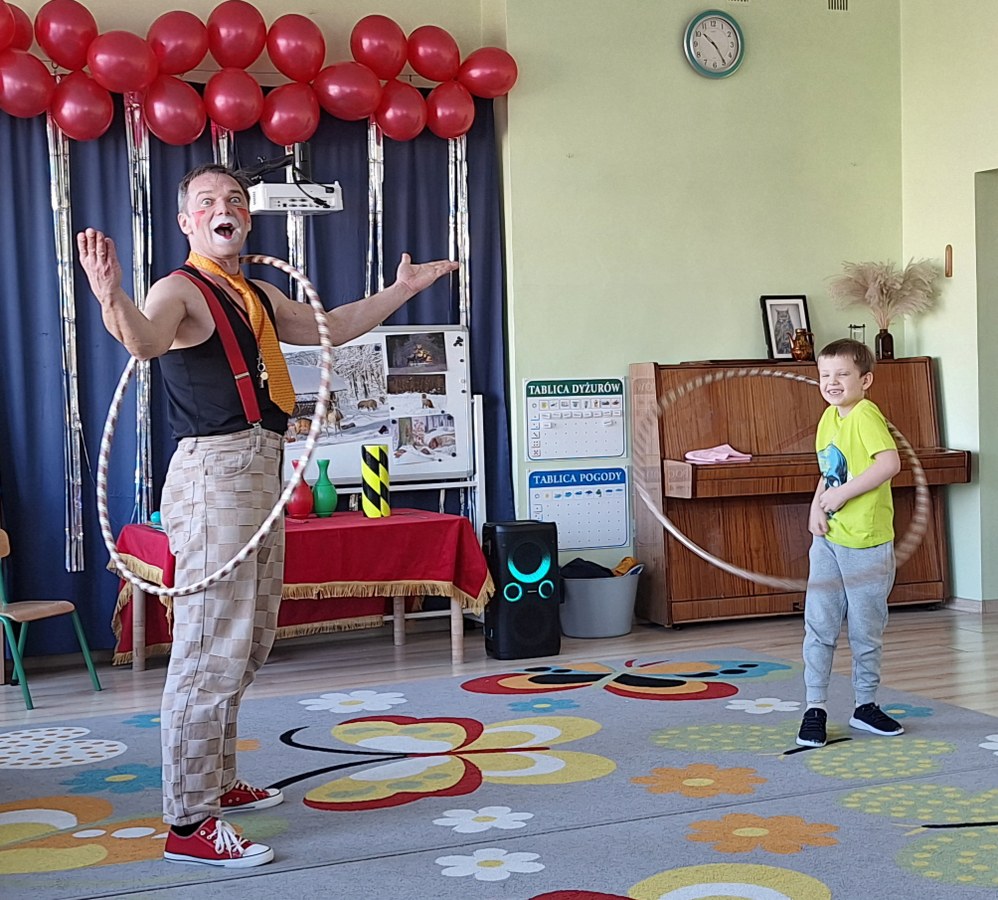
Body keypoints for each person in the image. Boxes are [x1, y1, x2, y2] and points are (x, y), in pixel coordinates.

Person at [77, 163, 458, 868]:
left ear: (247, 218)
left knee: (247, 640)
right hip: (215, 472)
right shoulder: (176, 290)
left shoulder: (256, 291)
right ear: (187, 222)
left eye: (234, 199)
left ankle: (217, 779)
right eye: (206, 201)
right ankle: (189, 824)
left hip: (263, 465)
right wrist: (110, 297)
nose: (223, 207)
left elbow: (333, 327)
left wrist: (403, 289)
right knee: (208, 649)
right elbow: (144, 341)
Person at [795, 338, 905, 749]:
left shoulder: (865, 414)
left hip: (866, 542)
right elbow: (830, 470)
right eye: (825, 375)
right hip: (829, 539)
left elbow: (889, 463)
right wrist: (817, 507)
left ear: (865, 380)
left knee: (865, 628)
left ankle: (865, 705)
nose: (832, 382)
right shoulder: (829, 417)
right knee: (819, 623)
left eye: (842, 374)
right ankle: (815, 708)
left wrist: (841, 496)